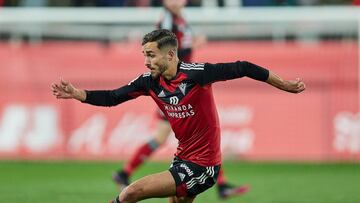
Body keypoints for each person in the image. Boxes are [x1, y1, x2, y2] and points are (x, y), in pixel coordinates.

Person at [51, 29, 306, 203]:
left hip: (203, 166)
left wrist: (283, 84)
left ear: (170, 54)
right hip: (181, 160)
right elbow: (113, 97)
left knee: (130, 193)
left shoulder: (198, 74)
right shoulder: (149, 82)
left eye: (151, 55)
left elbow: (244, 67)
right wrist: (77, 93)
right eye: (144, 55)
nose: (146, 61)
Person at [113, 0, 248, 199]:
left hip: (183, 86)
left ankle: (125, 172)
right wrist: (191, 47)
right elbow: (167, 53)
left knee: (186, 135)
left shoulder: (178, 19)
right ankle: (125, 172)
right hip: (174, 89)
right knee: (194, 134)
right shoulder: (168, 20)